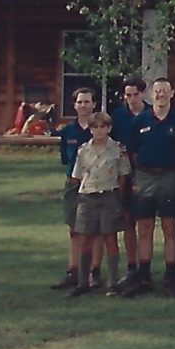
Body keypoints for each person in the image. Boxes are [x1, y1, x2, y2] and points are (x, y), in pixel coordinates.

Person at [125, 77, 175, 297]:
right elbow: (133, 153)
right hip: (146, 177)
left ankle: (170, 275)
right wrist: (144, 172)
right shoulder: (140, 121)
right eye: (157, 91)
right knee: (144, 228)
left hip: (171, 176)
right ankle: (144, 275)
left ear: (172, 93)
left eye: (165, 91)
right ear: (151, 94)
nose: (161, 95)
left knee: (170, 228)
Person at [66, 113, 131, 298]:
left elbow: (123, 175)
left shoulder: (117, 149)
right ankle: (83, 282)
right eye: (95, 127)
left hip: (109, 195)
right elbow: (76, 176)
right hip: (88, 196)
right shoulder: (83, 151)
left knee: (110, 238)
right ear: (90, 129)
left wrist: (119, 197)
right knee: (86, 239)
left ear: (109, 128)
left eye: (103, 127)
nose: (99, 130)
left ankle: (113, 282)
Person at [54, 87, 101, 291]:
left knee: (95, 230)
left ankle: (93, 272)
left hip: (97, 184)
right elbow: (66, 159)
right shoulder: (67, 132)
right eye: (80, 102)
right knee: (74, 229)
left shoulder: (101, 128)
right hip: (74, 184)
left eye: (87, 101)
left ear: (94, 104)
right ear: (74, 105)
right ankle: (73, 271)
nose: (83, 105)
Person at [110, 78, 147, 277]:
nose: (131, 99)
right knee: (127, 220)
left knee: (145, 222)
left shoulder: (150, 114)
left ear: (143, 94)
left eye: (135, 94)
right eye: (128, 95)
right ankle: (132, 265)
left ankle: (144, 265)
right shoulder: (118, 116)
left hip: (145, 172)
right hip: (122, 173)